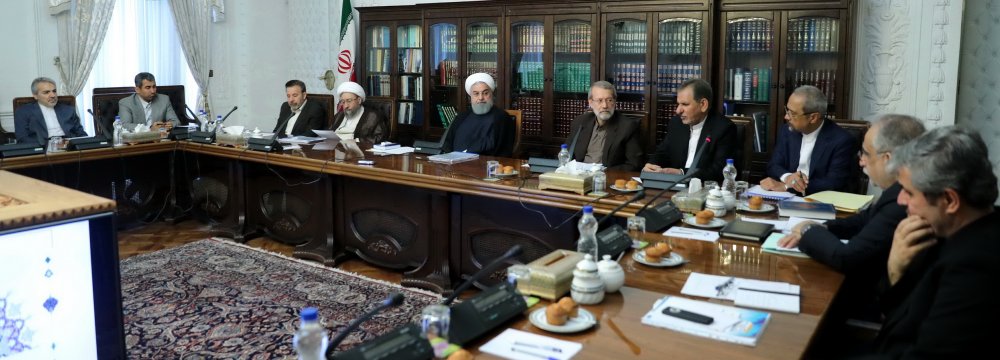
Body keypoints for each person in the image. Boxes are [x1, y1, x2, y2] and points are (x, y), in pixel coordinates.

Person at [861, 126, 1000, 357]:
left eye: (909, 192)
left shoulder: (976, 268)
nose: (901, 200)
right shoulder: (941, 230)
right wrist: (896, 272)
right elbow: (899, 317)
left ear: (949, 199)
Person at [777, 114, 925, 320]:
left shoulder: (905, 200)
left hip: (874, 305)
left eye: (865, 153)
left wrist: (809, 231)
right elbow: (864, 219)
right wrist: (825, 226)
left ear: (887, 159)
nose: (861, 160)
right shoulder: (901, 189)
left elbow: (846, 257)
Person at [760, 85, 856, 195]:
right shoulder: (787, 130)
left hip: (818, 202)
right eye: (787, 110)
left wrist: (788, 187)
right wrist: (788, 178)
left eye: (793, 113)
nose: (786, 117)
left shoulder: (842, 140)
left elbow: (833, 183)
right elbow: (774, 165)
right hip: (784, 198)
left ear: (813, 117)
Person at [642, 78, 737, 182]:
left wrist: (682, 173)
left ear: (703, 105)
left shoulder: (724, 128)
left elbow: (719, 171)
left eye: (685, 104)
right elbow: (662, 153)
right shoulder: (676, 124)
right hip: (672, 188)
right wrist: (652, 166)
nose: (678, 110)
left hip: (705, 191)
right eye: (678, 104)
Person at [565, 81, 643, 171]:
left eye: (609, 100)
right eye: (599, 100)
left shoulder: (628, 127)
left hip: (605, 178)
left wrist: (603, 171)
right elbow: (567, 154)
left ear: (614, 101)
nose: (605, 106)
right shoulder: (580, 122)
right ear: (590, 102)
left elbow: (634, 164)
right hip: (578, 176)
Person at [440, 73, 515, 157]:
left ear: (492, 94)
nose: (480, 98)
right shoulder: (462, 117)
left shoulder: (502, 118)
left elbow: (500, 152)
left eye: (485, 93)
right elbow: (447, 145)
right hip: (454, 164)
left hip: (485, 165)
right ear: (470, 97)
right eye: (476, 94)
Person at [14, 77, 87, 145]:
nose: (53, 95)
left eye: (54, 91)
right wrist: (49, 145)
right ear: (35, 96)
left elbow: (80, 133)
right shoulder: (23, 111)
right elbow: (22, 138)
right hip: (42, 148)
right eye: (46, 92)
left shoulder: (68, 110)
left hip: (69, 146)